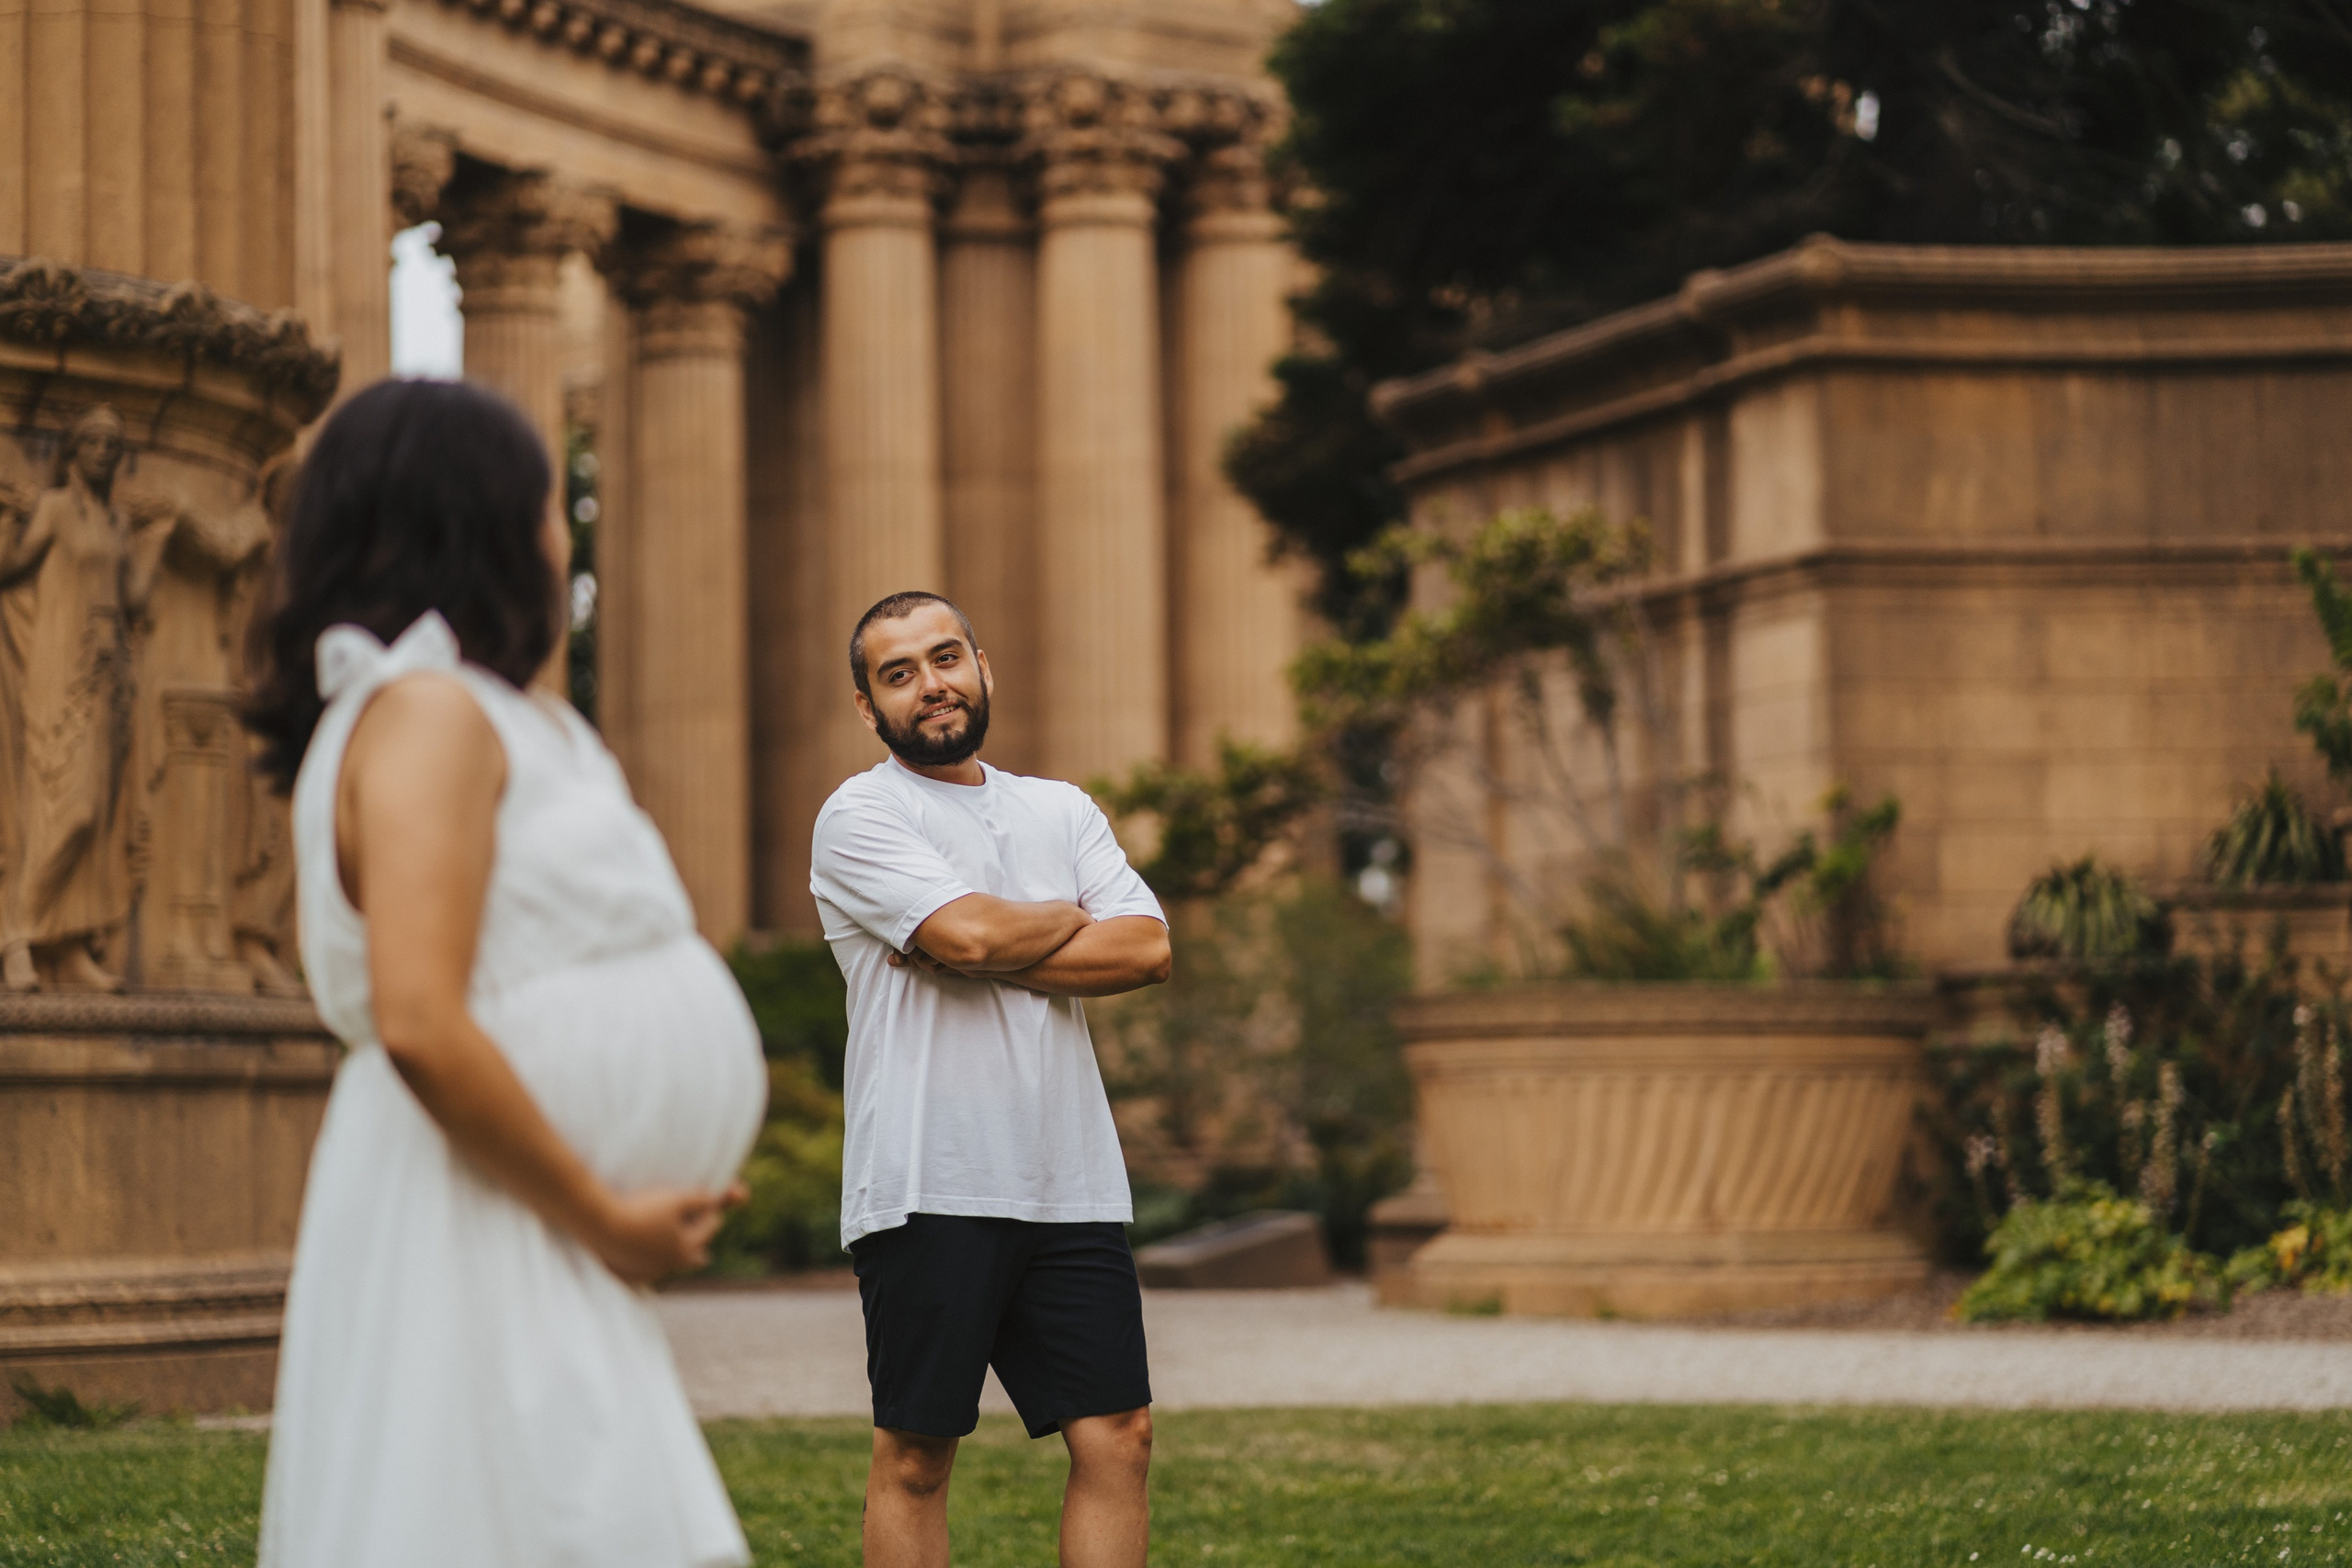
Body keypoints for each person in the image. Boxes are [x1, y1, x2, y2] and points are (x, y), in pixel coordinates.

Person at [244, 379, 766, 1568]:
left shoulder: (474, 707)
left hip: (522, 1207)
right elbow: (420, 1016)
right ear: (477, 514)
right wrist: (604, 1215)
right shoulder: (424, 710)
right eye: (547, 499)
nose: (562, 530)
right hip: (495, 1201)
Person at [811, 591, 1173, 1568]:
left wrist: (980, 939)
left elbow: (1143, 949)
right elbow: (966, 931)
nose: (929, 685)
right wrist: (1039, 921)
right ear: (867, 706)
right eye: (898, 673)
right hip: (929, 1181)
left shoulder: (1059, 807)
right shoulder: (861, 815)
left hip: (1069, 1182)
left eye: (944, 658)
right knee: (920, 1456)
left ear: (982, 664)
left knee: (1119, 1439)